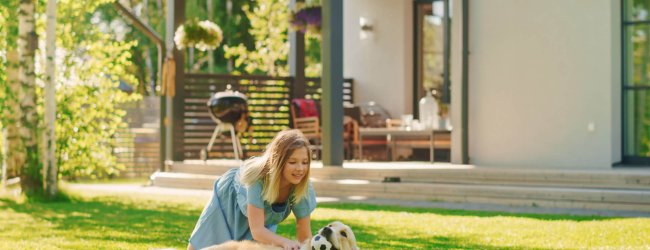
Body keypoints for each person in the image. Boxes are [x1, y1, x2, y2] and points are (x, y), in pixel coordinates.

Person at [188, 129, 317, 250]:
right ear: (278, 162)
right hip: (230, 202)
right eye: (293, 162)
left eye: (305, 162)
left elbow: (304, 236)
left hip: (261, 220)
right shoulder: (258, 179)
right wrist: (285, 242)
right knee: (202, 246)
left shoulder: (302, 187)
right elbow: (258, 231)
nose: (300, 168)